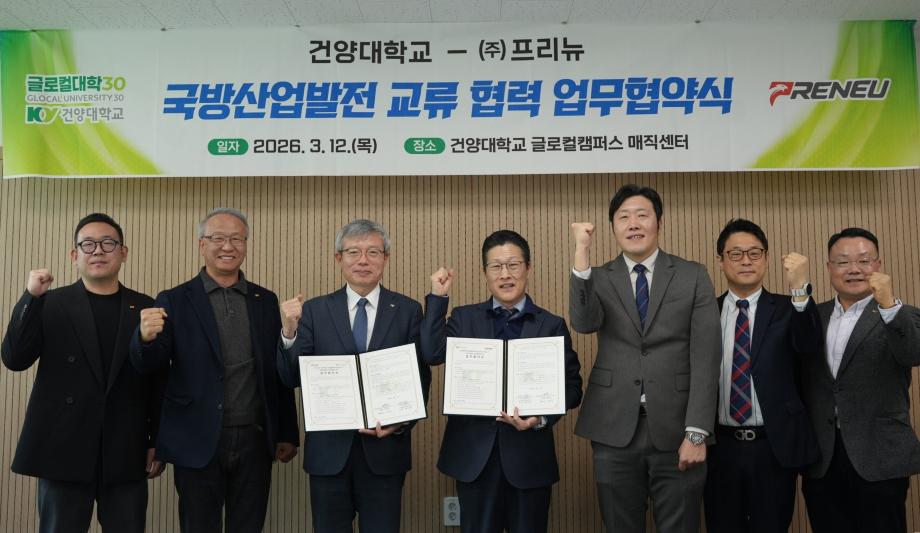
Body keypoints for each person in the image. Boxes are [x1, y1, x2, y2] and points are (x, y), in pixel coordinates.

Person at [130, 208, 299, 533]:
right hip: (196, 438)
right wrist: (144, 339)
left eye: (237, 238)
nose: (228, 246)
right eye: (218, 238)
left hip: (255, 438)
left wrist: (287, 431)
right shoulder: (174, 299)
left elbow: (275, 370)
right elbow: (150, 367)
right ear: (201, 245)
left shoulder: (265, 300)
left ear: (246, 244)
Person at [569, 184, 721, 533]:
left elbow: (707, 354)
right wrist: (581, 254)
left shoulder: (692, 274)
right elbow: (584, 322)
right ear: (613, 227)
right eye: (623, 217)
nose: (633, 224)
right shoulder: (598, 277)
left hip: (679, 429)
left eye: (642, 215)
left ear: (659, 223)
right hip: (613, 428)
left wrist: (697, 432)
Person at [1, 212, 165, 533]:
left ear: (123, 252)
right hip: (63, 446)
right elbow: (14, 358)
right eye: (88, 244)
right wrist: (31, 297)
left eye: (108, 243)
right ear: (75, 255)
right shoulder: (50, 302)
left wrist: (157, 440)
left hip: (125, 447)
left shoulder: (145, 307)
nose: (98, 250)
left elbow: (158, 382)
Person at [420, 229, 583, 533]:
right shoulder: (464, 318)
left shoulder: (551, 325)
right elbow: (431, 353)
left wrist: (541, 419)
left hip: (529, 460)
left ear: (528, 268)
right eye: (496, 266)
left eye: (513, 265)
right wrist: (439, 297)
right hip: (474, 459)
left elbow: (573, 389)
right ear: (485, 273)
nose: (505, 274)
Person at [276, 219, 430, 533]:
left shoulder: (407, 310)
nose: (363, 260)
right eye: (353, 252)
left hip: (385, 453)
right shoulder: (314, 311)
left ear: (386, 258)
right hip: (329, 454)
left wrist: (401, 423)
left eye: (373, 252)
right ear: (339, 258)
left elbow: (420, 377)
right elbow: (290, 377)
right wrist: (289, 331)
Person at [704, 219, 821, 533]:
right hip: (720, 447)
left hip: (773, 447)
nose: (746, 261)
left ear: (767, 258)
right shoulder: (705, 313)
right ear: (720, 260)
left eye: (754, 253)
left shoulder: (788, 308)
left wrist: (800, 289)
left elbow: (809, 346)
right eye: (736, 254)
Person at [800, 227, 920, 533]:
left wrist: (889, 305)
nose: (854, 269)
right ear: (829, 268)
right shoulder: (813, 316)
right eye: (843, 262)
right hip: (823, 459)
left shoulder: (901, 315)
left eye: (864, 261)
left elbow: (913, 353)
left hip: (879, 458)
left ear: (878, 265)